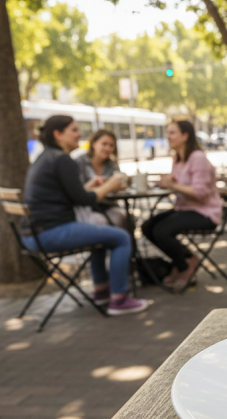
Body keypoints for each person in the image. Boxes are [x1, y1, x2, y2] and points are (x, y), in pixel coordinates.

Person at [22, 115, 149, 315]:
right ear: (58, 134)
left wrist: (89, 186)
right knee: (121, 237)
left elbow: (74, 195)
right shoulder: (62, 159)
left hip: (34, 234)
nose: (79, 135)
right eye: (74, 130)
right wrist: (111, 184)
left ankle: (101, 291)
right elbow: (85, 200)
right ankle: (119, 300)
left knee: (102, 236)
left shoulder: (46, 157)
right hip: (50, 233)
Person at [141, 119, 222, 290]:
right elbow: (179, 185)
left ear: (185, 136)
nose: (168, 137)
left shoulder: (197, 158)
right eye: (167, 133)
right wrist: (167, 183)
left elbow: (200, 193)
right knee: (147, 227)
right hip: (183, 208)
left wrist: (172, 185)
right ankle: (187, 259)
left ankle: (184, 266)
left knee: (162, 231)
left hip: (205, 213)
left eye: (172, 133)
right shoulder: (177, 159)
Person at [74, 129, 129, 229]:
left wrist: (117, 187)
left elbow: (119, 186)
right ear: (94, 144)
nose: (108, 148)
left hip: (108, 205)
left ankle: (123, 243)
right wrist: (107, 187)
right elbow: (77, 191)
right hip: (86, 207)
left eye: (111, 145)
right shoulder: (79, 162)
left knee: (123, 218)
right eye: (104, 144)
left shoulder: (112, 164)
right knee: (100, 221)